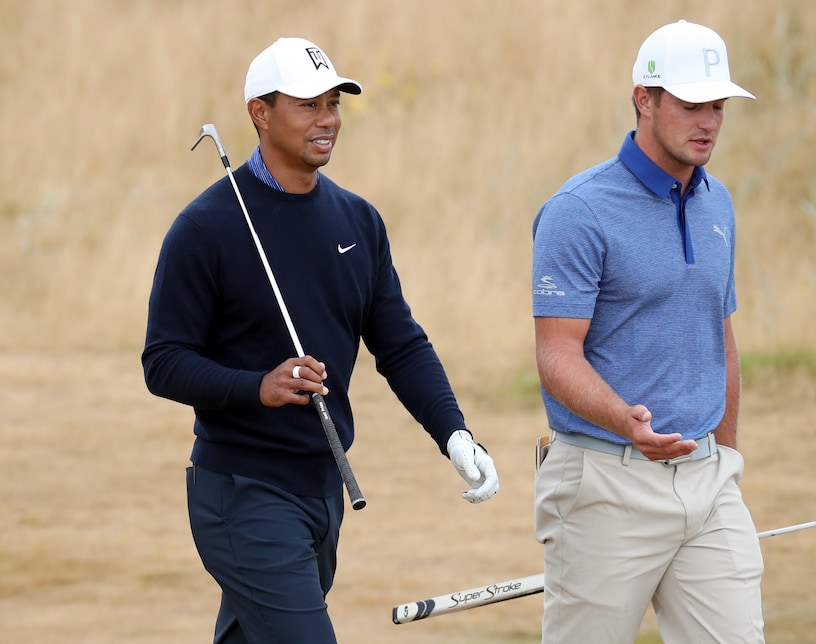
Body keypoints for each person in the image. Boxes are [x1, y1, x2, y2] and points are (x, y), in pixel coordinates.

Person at [142, 36, 499, 643]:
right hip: (241, 492)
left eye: (333, 103)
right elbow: (164, 362)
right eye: (308, 105)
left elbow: (401, 344)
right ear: (260, 111)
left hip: (323, 488)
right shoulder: (206, 228)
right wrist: (258, 386)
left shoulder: (358, 220)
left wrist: (454, 432)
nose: (328, 119)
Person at [531, 20, 763, 643]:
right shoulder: (578, 211)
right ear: (645, 99)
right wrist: (623, 419)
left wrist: (728, 456)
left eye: (718, 105)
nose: (709, 121)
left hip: (709, 483)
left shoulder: (719, 204)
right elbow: (557, 355)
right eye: (691, 105)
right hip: (606, 484)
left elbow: (720, 338)